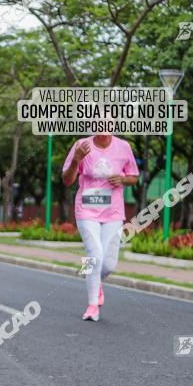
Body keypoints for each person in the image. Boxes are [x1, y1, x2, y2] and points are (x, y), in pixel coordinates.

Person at [62, 134, 139, 321]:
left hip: (113, 211)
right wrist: (76, 160)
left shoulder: (123, 146)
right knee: (94, 254)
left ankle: (95, 281)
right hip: (86, 210)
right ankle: (92, 305)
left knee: (108, 264)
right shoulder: (81, 145)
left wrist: (122, 179)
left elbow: (134, 177)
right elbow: (67, 180)